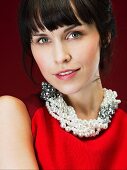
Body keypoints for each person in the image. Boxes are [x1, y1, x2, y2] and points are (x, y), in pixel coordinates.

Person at [0, 0, 127, 169]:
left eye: (74, 34)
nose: (60, 57)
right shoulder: (14, 115)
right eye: (43, 40)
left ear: (105, 35)